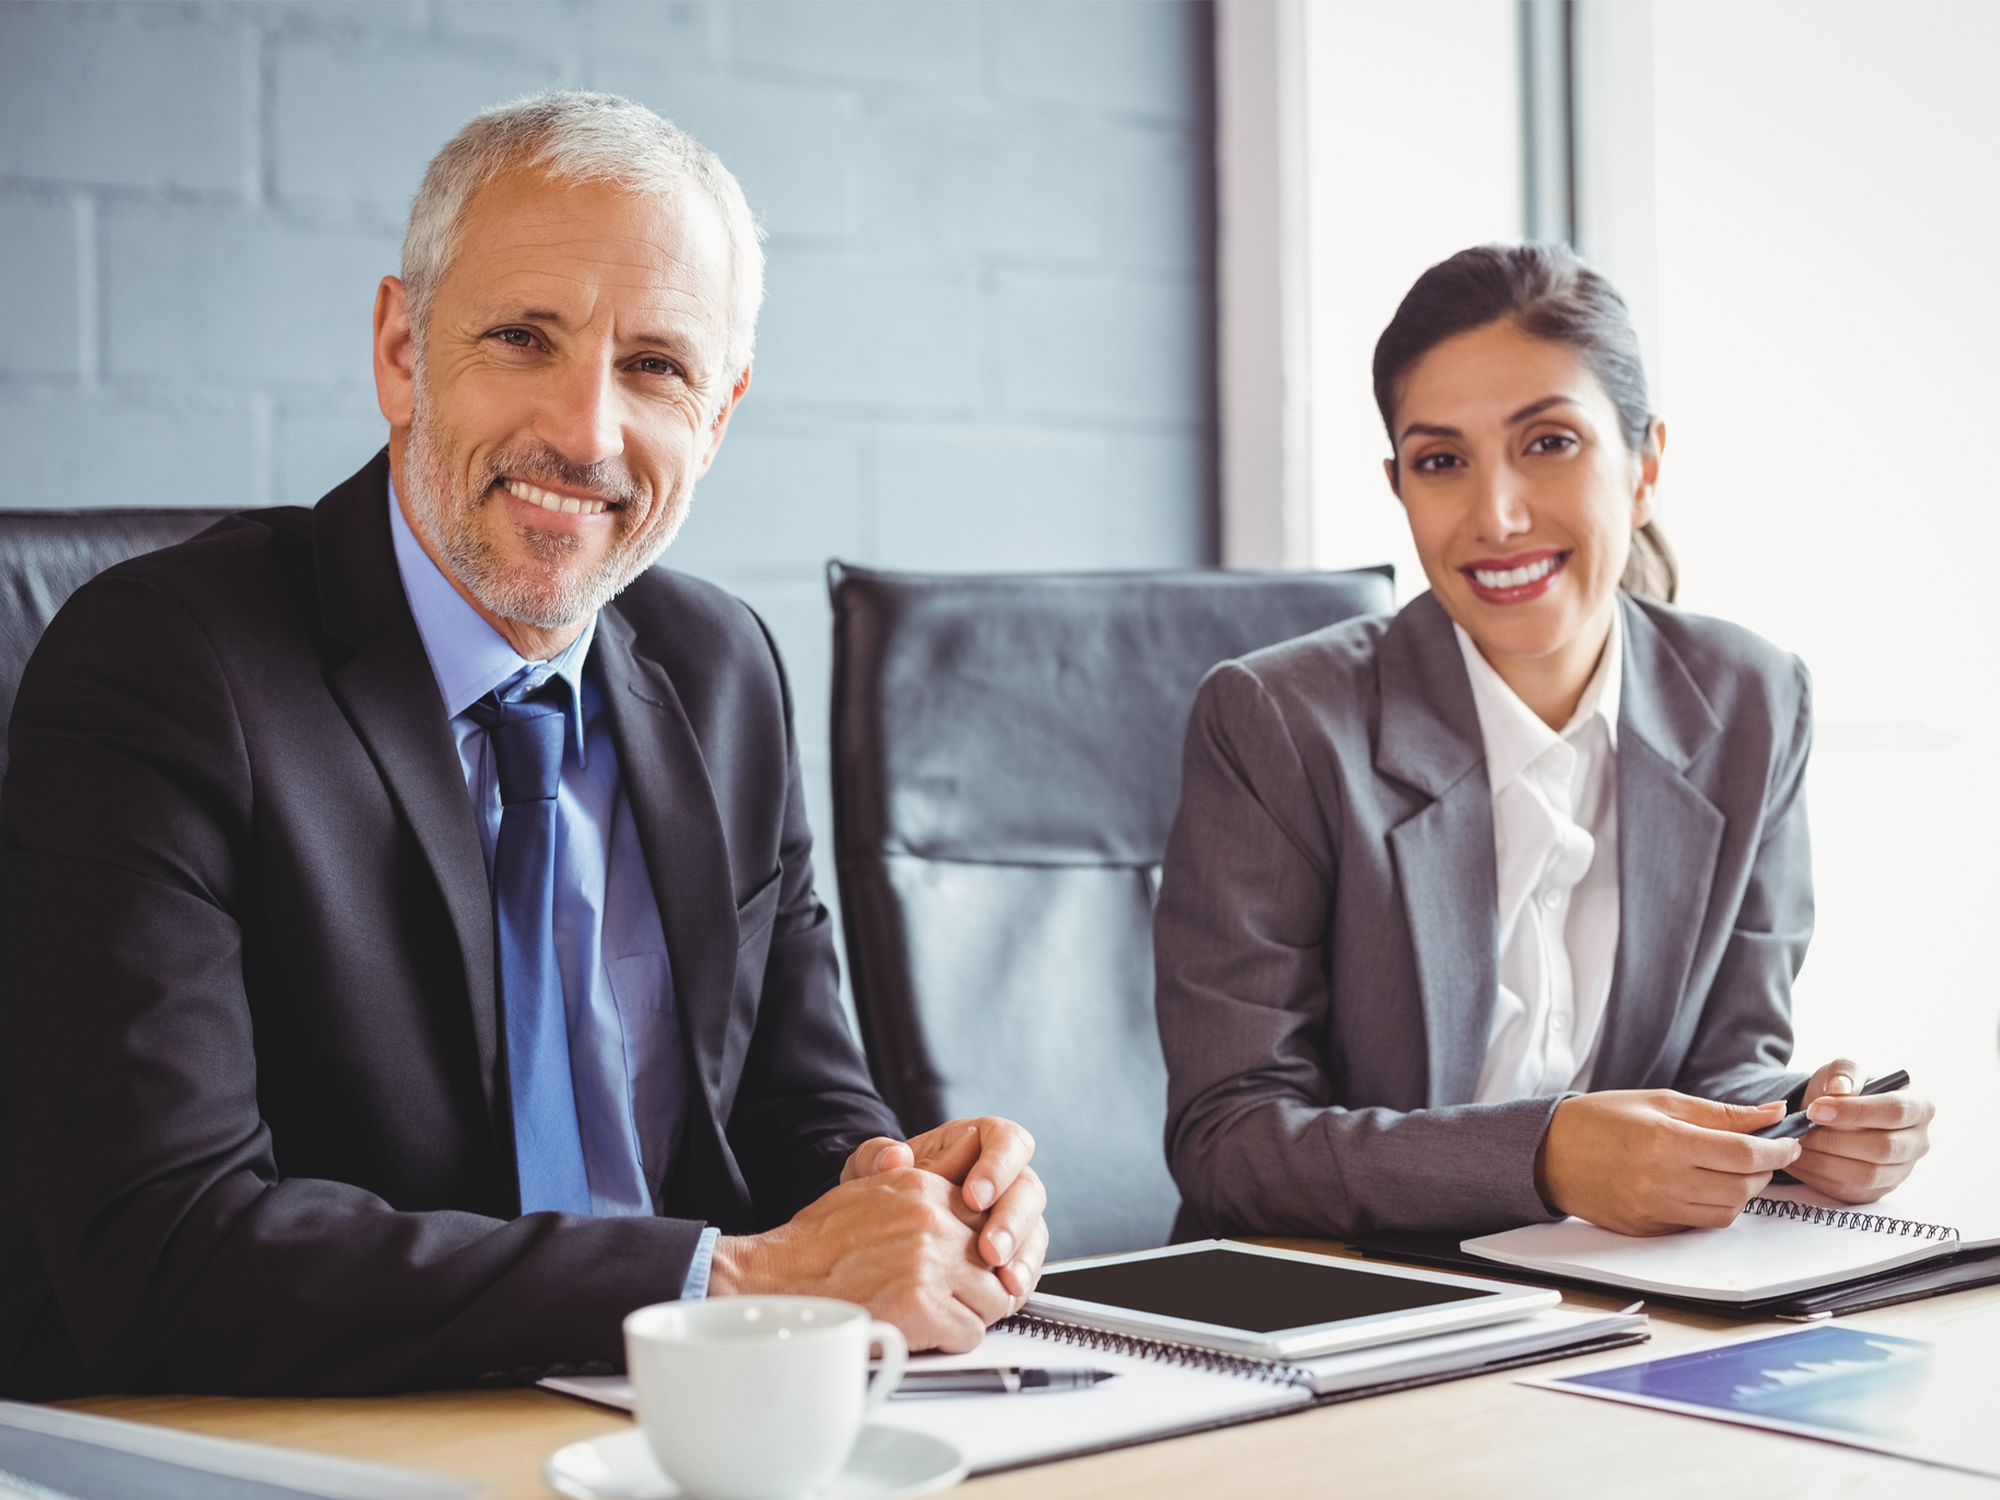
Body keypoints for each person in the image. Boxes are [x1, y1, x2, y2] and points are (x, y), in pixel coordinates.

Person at [0, 92, 1046, 1400]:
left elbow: (793, 1102)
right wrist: (729, 1284)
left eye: (655, 366)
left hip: (685, 1423)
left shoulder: (719, 670)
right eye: (522, 338)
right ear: (400, 351)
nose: (587, 432)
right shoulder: (166, 667)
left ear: (718, 416)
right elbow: (160, 1253)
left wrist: (901, 1194)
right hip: (295, 1440)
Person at [1155, 243, 1934, 1242]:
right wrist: (1543, 1157)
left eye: (1548, 443)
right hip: (1353, 1305)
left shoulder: (1751, 699)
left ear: (1643, 466)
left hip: (1616, 1298)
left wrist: (1806, 1119)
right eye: (1441, 462)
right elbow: (1232, 1141)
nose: (1496, 515)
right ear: (1399, 486)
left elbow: (1724, 1061)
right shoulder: (1275, 720)